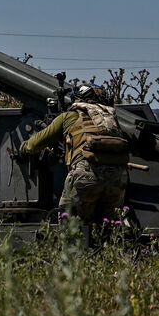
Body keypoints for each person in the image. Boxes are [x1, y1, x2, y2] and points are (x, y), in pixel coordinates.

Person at [19, 84, 129, 223]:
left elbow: (34, 145)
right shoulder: (112, 119)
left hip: (86, 172)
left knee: (70, 223)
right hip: (118, 177)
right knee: (107, 225)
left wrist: (23, 148)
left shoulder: (69, 116)